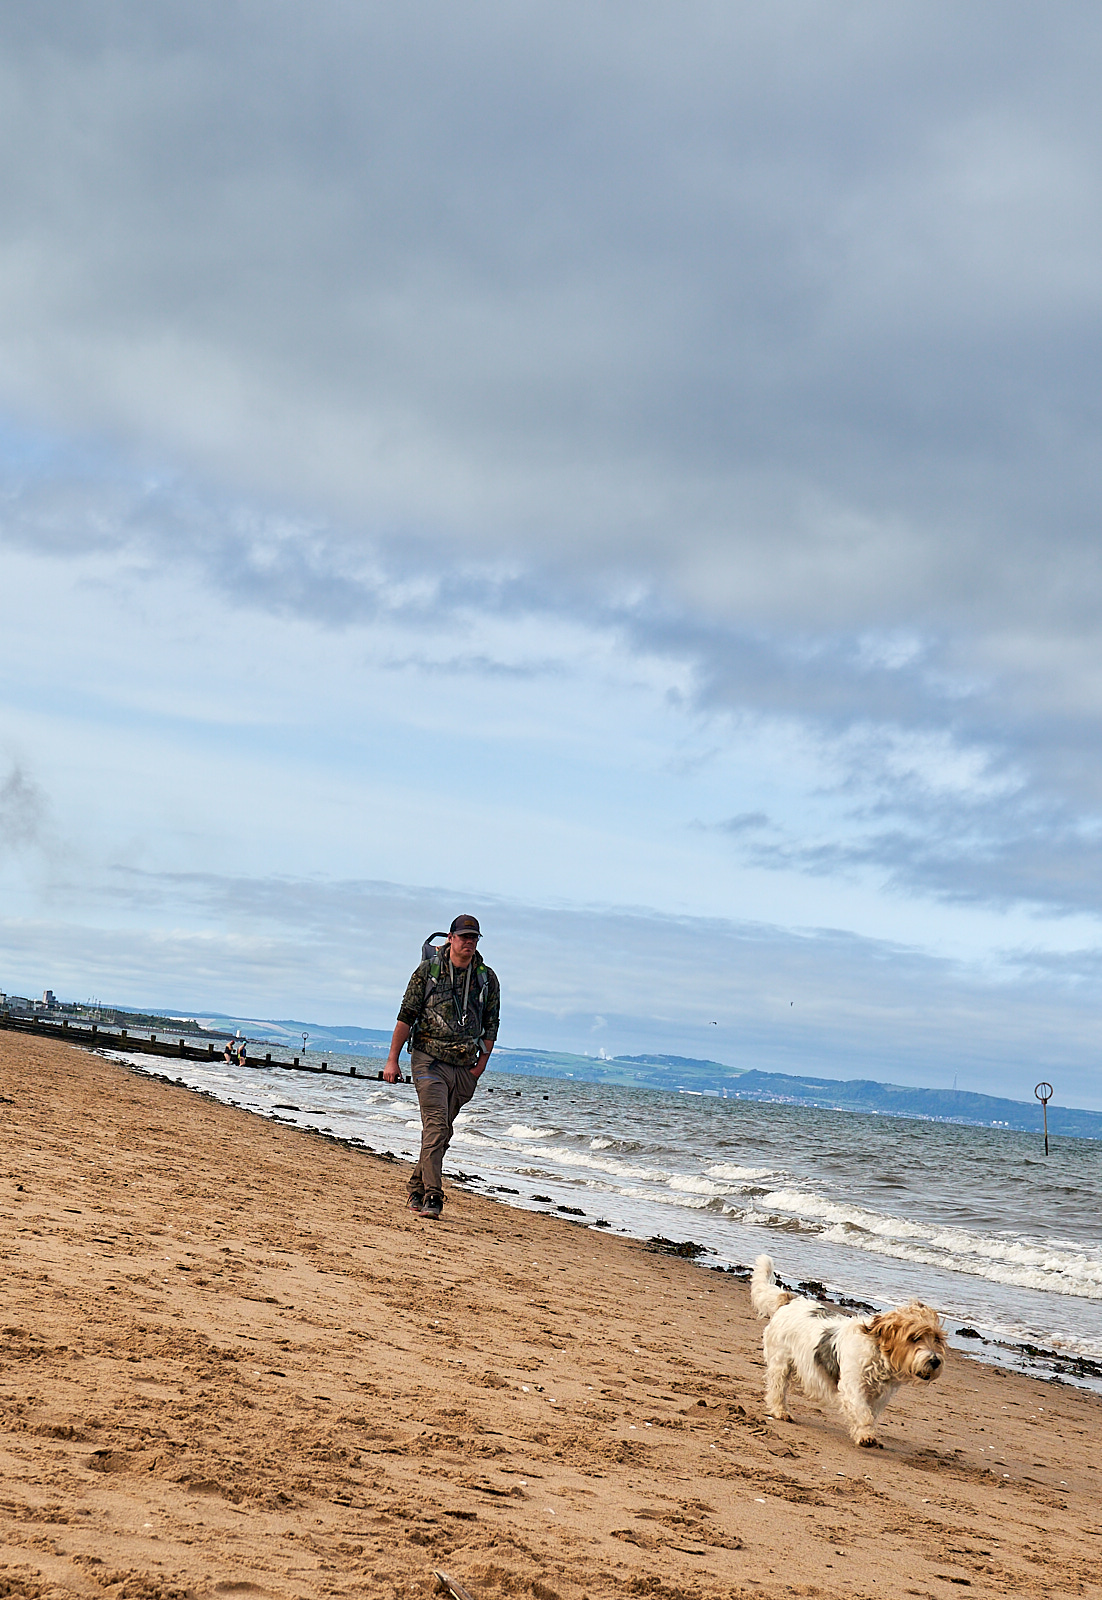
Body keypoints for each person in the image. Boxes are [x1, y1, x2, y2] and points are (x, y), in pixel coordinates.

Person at [383, 914, 499, 1220]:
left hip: (464, 1066)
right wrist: (392, 1059)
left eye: (474, 938)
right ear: (450, 938)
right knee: (435, 1126)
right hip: (428, 1060)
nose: (469, 943)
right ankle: (434, 1196)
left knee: (442, 1133)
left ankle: (415, 1187)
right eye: (464, 937)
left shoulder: (486, 979)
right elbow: (406, 1015)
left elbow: (491, 1026)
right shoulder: (428, 971)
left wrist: (479, 1069)